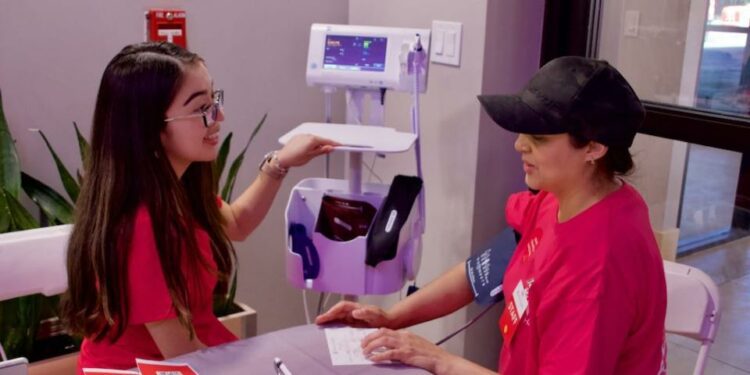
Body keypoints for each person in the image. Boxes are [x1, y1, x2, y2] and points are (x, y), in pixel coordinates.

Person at [316, 56, 667, 374]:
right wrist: (392, 318)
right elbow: (478, 273)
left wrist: (442, 361)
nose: (519, 145)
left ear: (594, 147)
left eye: (538, 138)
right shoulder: (558, 198)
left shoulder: (600, 268)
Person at [60, 42, 337, 373]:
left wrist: (281, 163)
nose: (219, 116)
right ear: (151, 127)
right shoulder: (139, 226)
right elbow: (182, 355)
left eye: (215, 100)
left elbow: (236, 223)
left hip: (199, 356)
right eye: (201, 108)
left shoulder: (174, 190)